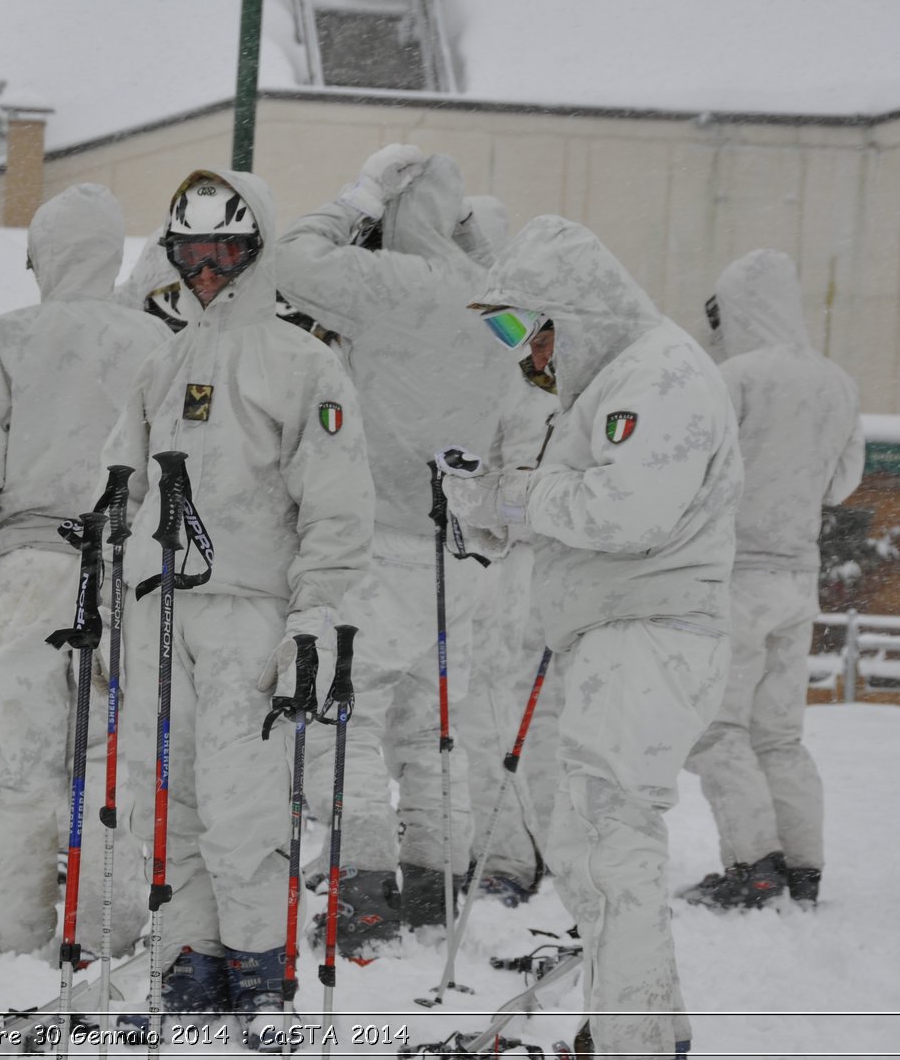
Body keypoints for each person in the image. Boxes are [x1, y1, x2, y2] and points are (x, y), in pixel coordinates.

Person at [443, 215, 742, 1059]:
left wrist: (527, 492)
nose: (519, 353)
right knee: (588, 843)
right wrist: (488, 499)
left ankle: (633, 1040)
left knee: (614, 846)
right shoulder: (610, 382)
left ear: (568, 312)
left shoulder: (658, 375)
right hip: (612, 636)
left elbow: (624, 510)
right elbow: (561, 500)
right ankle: (648, 1022)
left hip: (653, 634)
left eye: (520, 327)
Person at [104, 169, 373, 1046]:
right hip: (161, 613)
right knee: (168, 790)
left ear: (254, 249)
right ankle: (191, 956)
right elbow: (127, 488)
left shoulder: (304, 363)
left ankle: (260, 967)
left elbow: (337, 509)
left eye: (225, 249)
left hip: (253, 612)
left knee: (244, 801)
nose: (208, 268)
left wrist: (316, 620)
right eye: (191, 251)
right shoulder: (161, 360)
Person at [278, 145, 500, 956]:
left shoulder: (393, 285)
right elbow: (532, 345)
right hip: (465, 551)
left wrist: (358, 195)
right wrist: (471, 241)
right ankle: (436, 884)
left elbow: (290, 262)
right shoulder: (495, 301)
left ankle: (361, 885)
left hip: (380, 541)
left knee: (347, 715)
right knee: (432, 726)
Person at [0, 183, 167, 960]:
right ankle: (109, 929)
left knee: (27, 764)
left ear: (43, 253)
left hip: (25, 571)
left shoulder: (10, 335)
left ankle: (16, 932)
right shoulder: (154, 343)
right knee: (112, 757)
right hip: (121, 566)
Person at [682, 248, 863, 909]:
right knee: (780, 733)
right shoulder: (837, 381)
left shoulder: (733, 377)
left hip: (733, 576)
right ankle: (804, 865)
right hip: (798, 576)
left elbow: (697, 471)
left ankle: (752, 864)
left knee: (717, 729)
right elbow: (843, 483)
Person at [459, 308, 565, 907]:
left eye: (548, 339)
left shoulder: (594, 399)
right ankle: (504, 854)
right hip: (510, 573)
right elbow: (483, 486)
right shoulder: (506, 393)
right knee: (490, 714)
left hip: (566, 575)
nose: (539, 352)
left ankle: (557, 849)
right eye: (530, 340)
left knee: (548, 724)